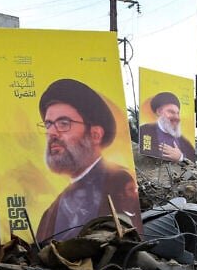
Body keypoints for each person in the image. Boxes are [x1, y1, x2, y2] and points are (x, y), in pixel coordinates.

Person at [35, 78, 142, 243]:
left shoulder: (119, 182)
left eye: (63, 123)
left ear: (95, 134)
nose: (52, 133)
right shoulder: (52, 210)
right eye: (48, 124)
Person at [138, 92, 195, 162]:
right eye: (171, 112)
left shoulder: (185, 142)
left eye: (177, 113)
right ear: (159, 112)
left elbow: (193, 163)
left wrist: (180, 157)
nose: (176, 117)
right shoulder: (145, 131)